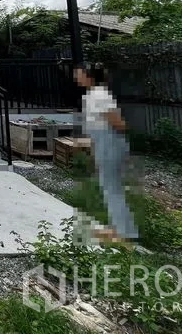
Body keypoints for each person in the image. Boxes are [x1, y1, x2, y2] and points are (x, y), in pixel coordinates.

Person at [73, 63, 139, 243]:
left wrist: (105, 140)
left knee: (113, 187)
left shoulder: (100, 95)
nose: (76, 78)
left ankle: (124, 233)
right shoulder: (92, 95)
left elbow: (119, 124)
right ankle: (117, 228)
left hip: (110, 142)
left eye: (79, 74)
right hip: (103, 142)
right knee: (108, 187)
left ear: (90, 76)